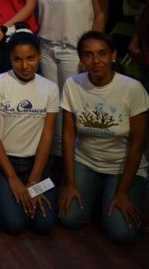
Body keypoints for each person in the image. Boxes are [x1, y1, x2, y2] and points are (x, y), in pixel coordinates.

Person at [59, 31, 148, 244]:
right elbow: (69, 136)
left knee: (121, 233)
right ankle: (97, 195)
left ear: (113, 56)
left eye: (102, 53)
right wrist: (70, 183)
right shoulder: (73, 84)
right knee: (68, 217)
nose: (96, 60)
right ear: (81, 60)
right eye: (88, 55)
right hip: (86, 162)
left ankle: (109, 195)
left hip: (121, 166)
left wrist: (123, 192)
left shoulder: (132, 89)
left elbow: (138, 145)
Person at [0, 26, 59, 235]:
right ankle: (2, 194)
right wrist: (13, 178)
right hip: (1, 163)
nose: (25, 65)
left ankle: (21, 194)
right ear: (10, 58)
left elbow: (47, 135)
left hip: (37, 165)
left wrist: (33, 181)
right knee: (13, 224)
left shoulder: (50, 88)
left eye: (31, 58)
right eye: (18, 60)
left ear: (39, 56)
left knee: (44, 224)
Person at [38, 0, 108, 160]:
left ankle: (77, 158)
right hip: (46, 48)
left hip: (75, 51)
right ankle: (58, 156)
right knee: (53, 106)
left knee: (73, 105)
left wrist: (90, 55)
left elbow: (100, 14)